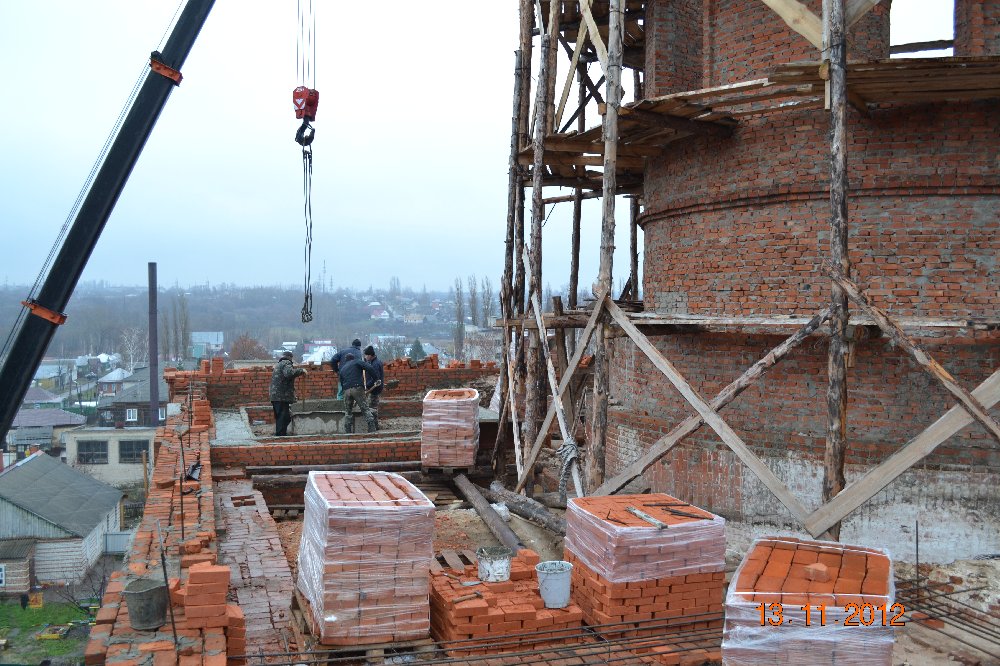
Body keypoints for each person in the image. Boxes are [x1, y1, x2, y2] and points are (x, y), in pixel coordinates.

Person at [337, 353, 379, 433]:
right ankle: (372, 428)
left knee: (348, 411)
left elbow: (341, 382)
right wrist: (376, 379)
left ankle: (348, 431)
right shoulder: (357, 362)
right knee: (365, 408)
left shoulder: (343, 368)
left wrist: (346, 389)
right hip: (357, 388)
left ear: (346, 360)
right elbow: (369, 367)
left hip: (346, 390)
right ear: (353, 358)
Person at [269, 350, 306, 436]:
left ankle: (281, 434)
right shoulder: (286, 363)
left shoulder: (279, 364)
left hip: (275, 395)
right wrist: (301, 370)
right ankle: (280, 436)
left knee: (282, 417)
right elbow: (289, 373)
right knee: (283, 417)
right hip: (281, 396)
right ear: (290, 358)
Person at [363, 345, 384, 431]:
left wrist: (367, 386)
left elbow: (375, 378)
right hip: (373, 388)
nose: (365, 357)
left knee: (373, 408)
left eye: (366, 355)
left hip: (374, 389)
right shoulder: (372, 362)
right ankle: (374, 426)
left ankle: (375, 427)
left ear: (370, 355)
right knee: (372, 407)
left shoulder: (375, 364)